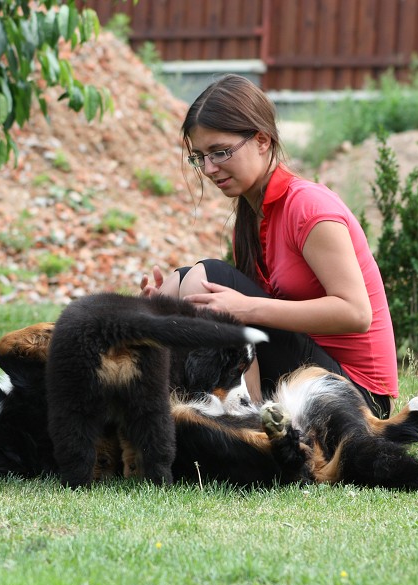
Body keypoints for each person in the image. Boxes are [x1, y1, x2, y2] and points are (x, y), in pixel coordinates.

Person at [140, 74, 398, 418]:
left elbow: (356, 314)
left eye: (220, 152)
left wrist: (247, 308)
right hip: (300, 377)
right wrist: (165, 309)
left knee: (209, 277)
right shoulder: (251, 214)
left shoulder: (309, 206)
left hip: (356, 398)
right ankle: (181, 415)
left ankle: (246, 428)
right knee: (178, 285)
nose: (209, 169)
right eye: (199, 157)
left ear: (262, 140)